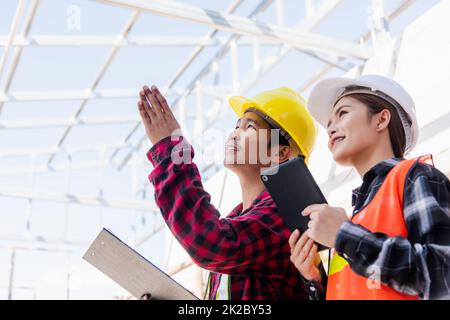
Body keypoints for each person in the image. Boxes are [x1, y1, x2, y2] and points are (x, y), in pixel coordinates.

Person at [137, 85, 318, 300]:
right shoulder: (236, 220)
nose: (234, 134)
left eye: (249, 127)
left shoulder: (284, 216)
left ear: (280, 153)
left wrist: (171, 152)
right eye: (236, 125)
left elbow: (213, 242)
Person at [289, 74, 450, 300]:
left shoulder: (415, 177)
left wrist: (343, 235)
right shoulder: (355, 217)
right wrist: (315, 279)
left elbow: (442, 274)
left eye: (342, 113)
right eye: (328, 124)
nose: (331, 129)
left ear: (381, 119)